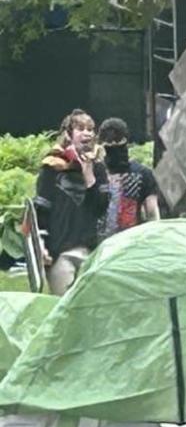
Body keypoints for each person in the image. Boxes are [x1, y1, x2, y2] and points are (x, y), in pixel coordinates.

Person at [35, 110, 109, 296]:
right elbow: (41, 209)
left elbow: (101, 207)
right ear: (69, 134)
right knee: (63, 308)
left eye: (91, 129)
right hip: (60, 251)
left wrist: (89, 174)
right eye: (81, 129)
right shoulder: (52, 166)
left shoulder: (98, 167)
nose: (87, 133)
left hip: (91, 251)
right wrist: (41, 245)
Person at [96, 118, 159, 240]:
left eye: (116, 140)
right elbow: (152, 213)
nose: (113, 145)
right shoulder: (143, 173)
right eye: (110, 142)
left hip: (103, 246)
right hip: (129, 244)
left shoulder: (95, 172)